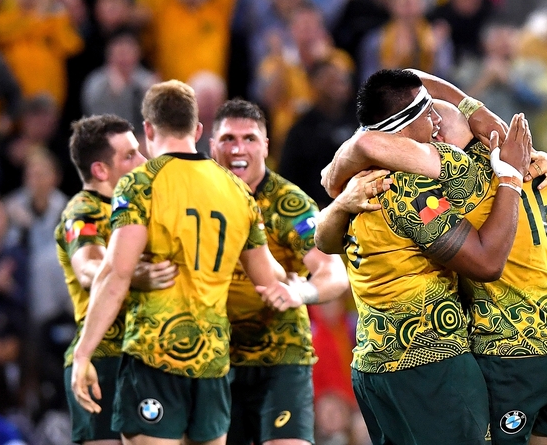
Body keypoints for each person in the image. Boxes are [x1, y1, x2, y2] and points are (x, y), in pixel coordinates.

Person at [320, 70, 547, 445]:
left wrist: (333, 186)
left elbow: (361, 150)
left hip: (496, 352)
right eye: (430, 118)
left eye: (441, 122)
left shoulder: (458, 174)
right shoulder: (542, 169)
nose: (437, 128)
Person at [70, 81, 299, 444]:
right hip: (212, 362)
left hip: (155, 355)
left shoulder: (140, 184)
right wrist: (296, 280)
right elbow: (267, 276)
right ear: (197, 129)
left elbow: (116, 274)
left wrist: (83, 354)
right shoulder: (237, 190)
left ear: (147, 129)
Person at [210, 99, 350, 445]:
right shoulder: (197, 201)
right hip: (213, 358)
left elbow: (333, 273)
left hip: (280, 356)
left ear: (266, 146)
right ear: (211, 144)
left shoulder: (291, 205)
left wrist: (299, 292)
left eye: (250, 138)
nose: (238, 148)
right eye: (228, 138)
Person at [55, 114, 178, 444]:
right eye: (129, 155)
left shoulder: (142, 209)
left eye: (139, 150)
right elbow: (87, 268)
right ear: (100, 171)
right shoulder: (82, 211)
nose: (143, 160)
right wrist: (134, 275)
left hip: (147, 358)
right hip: (102, 358)